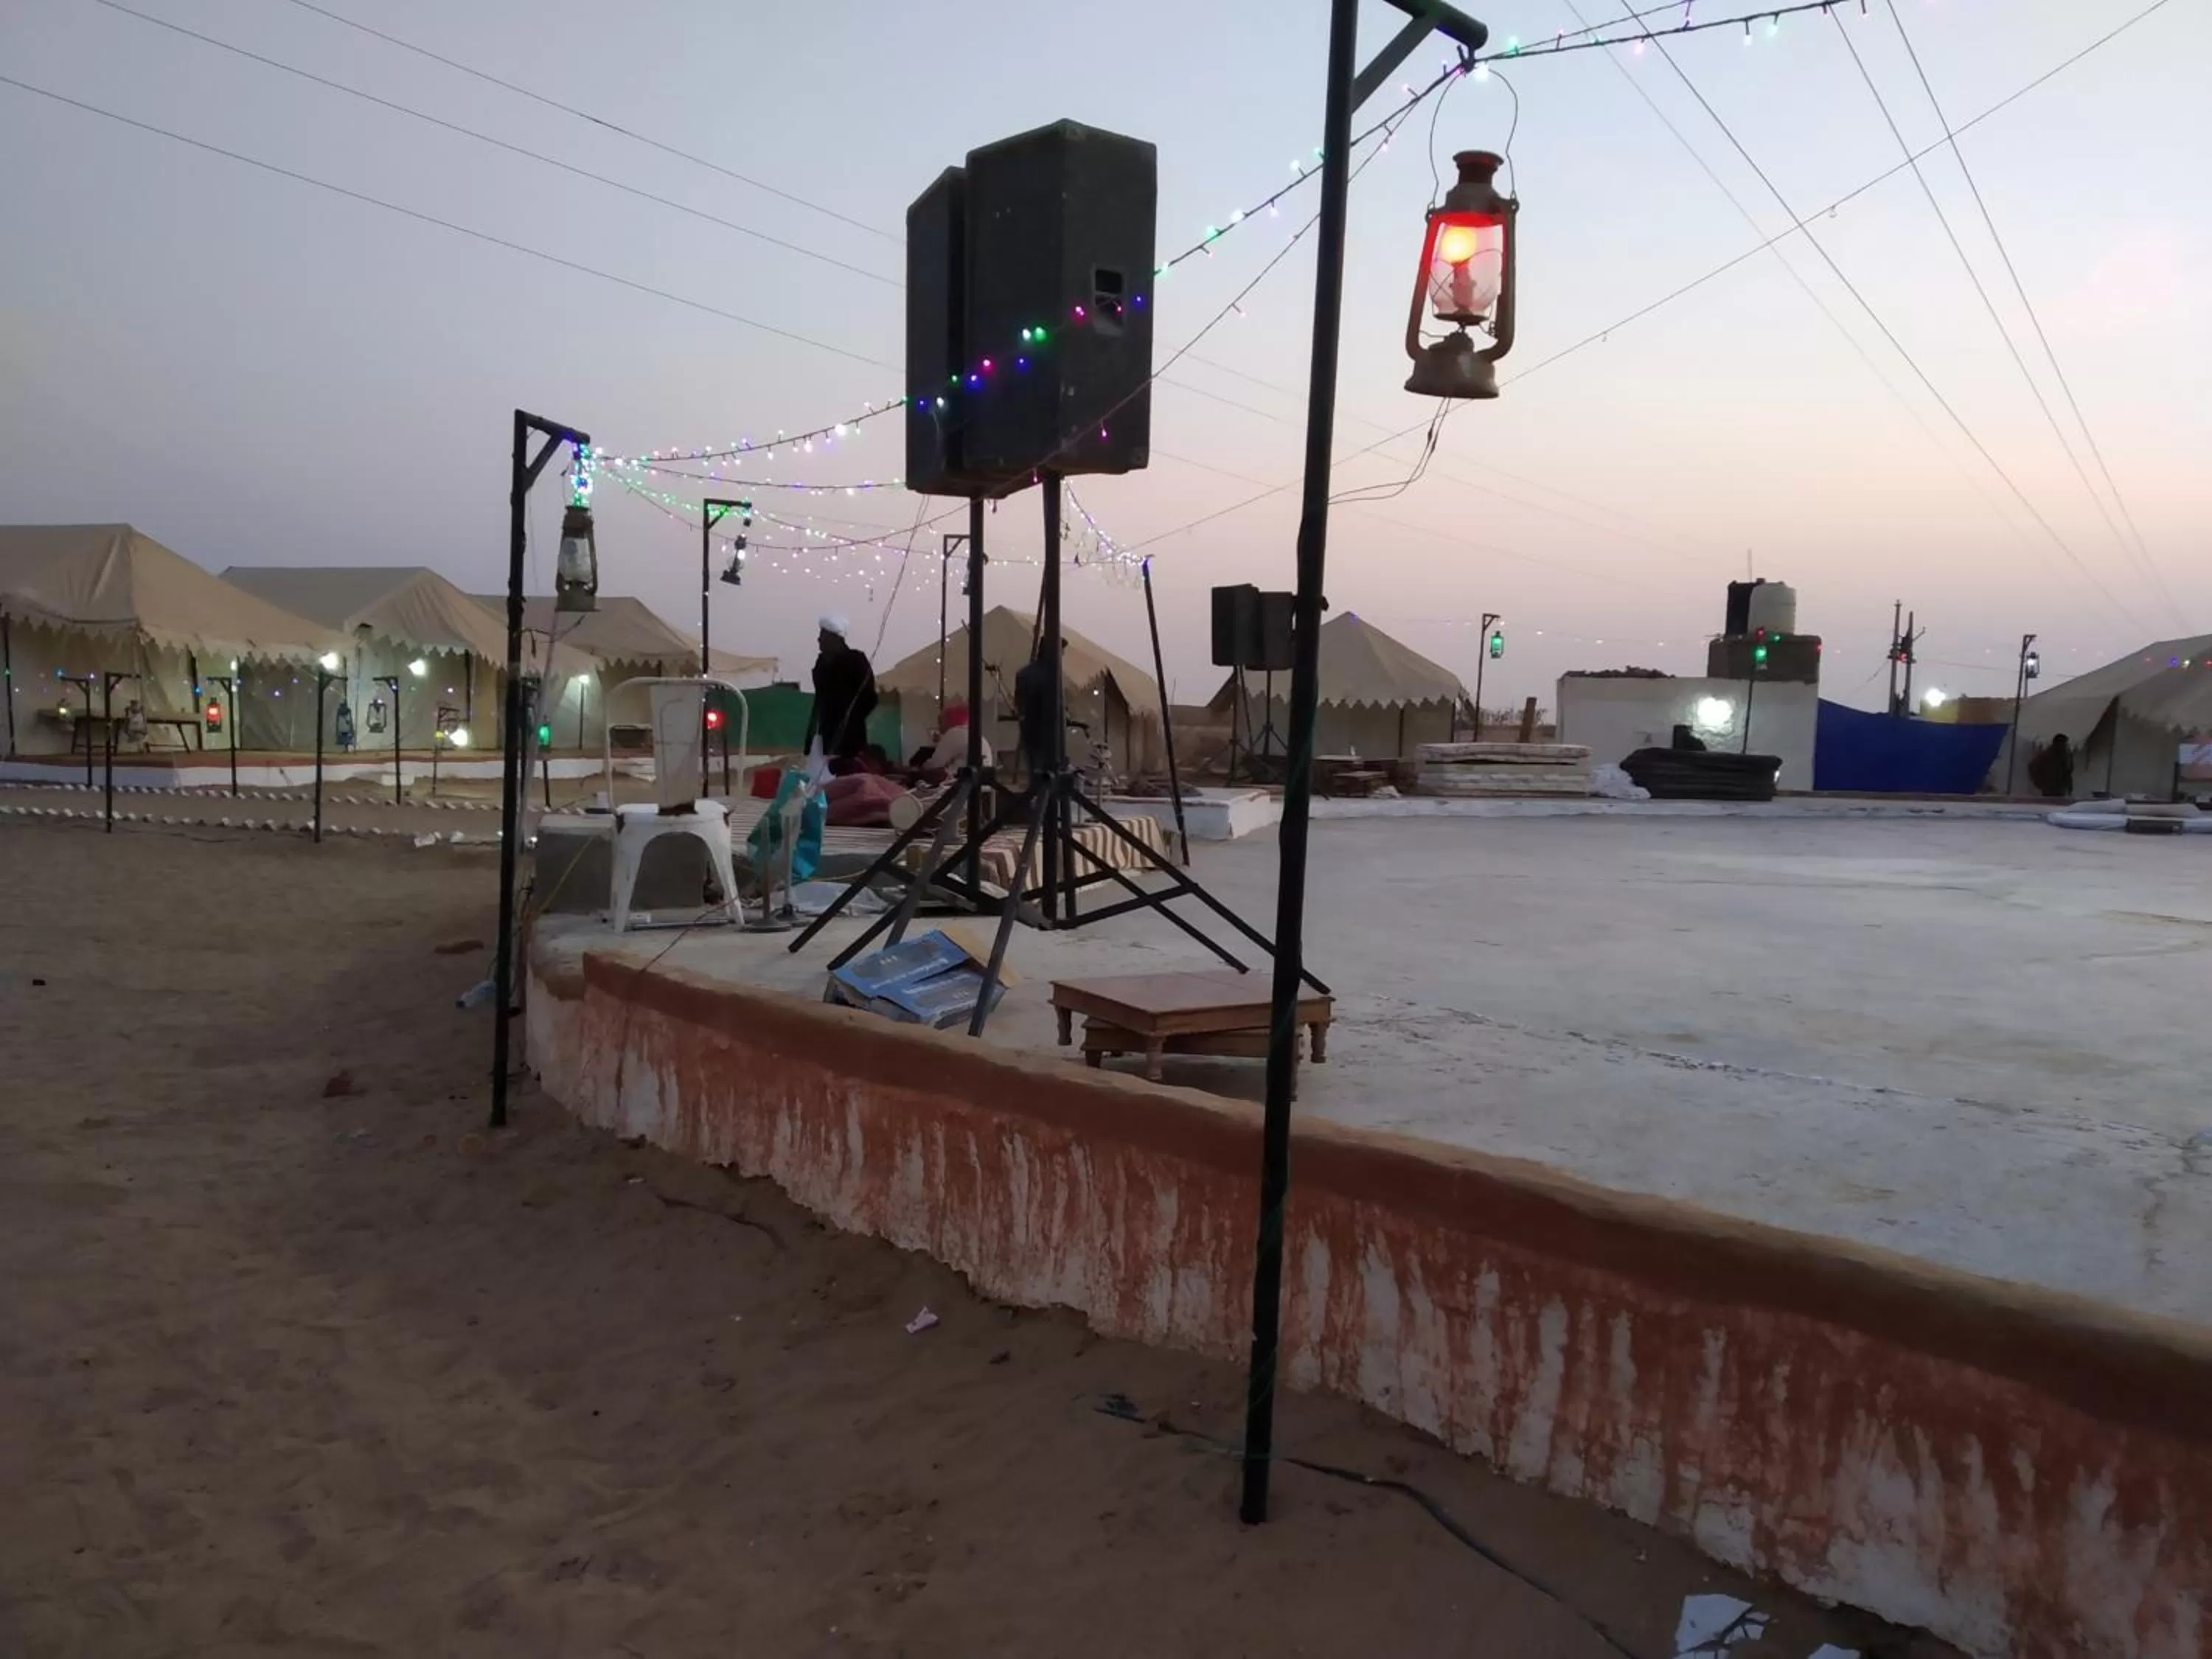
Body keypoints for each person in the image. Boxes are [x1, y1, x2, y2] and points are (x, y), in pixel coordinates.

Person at [802, 614, 877, 765]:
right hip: (824, 734)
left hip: (849, 739)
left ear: (834, 638)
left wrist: (850, 719)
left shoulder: (856, 660)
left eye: (823, 636)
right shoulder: (821, 663)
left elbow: (870, 698)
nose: (819, 640)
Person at [2028, 732, 2075, 800]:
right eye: (2064, 744)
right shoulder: (2047, 755)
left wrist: (2069, 787)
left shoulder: (2064, 756)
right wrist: (2040, 783)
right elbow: (2032, 766)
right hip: (2050, 789)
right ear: (2058, 743)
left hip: (2061, 788)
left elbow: (2067, 773)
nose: (2065, 746)